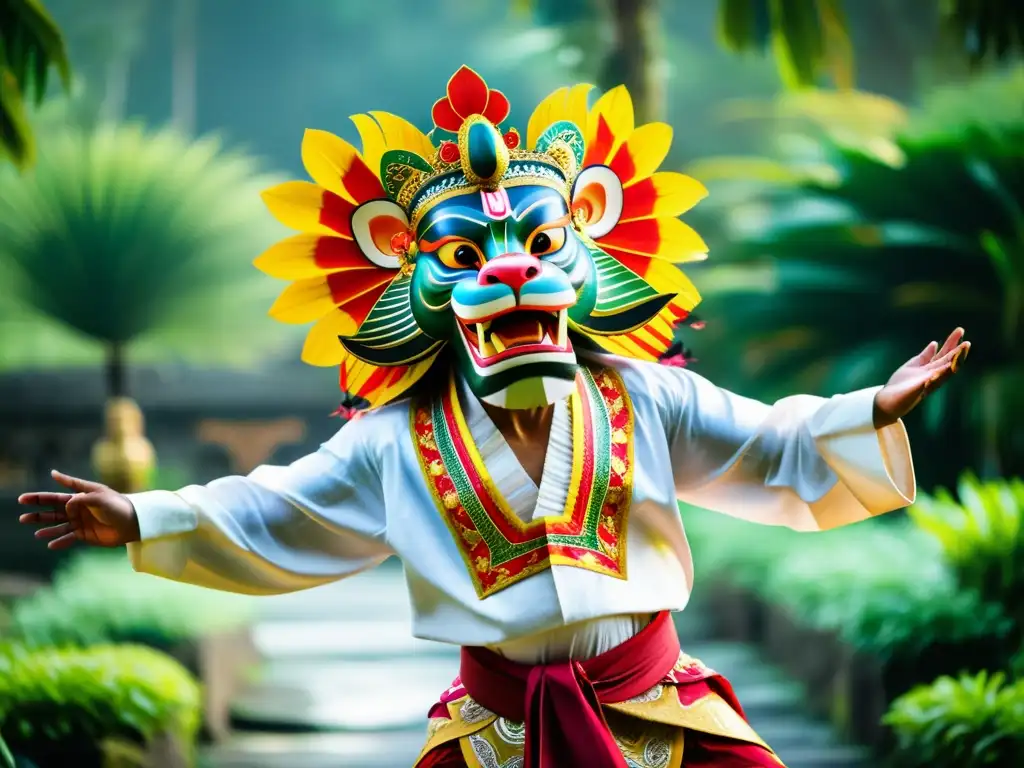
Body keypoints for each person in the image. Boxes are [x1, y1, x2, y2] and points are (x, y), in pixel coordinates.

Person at [19, 67, 969, 768]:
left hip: (661, 710)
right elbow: (277, 508)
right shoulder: (392, 438)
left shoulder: (643, 392)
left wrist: (869, 409)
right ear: (404, 274)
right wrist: (145, 516)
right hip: (495, 735)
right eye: (467, 252)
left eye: (542, 242)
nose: (508, 270)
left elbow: (769, 445)